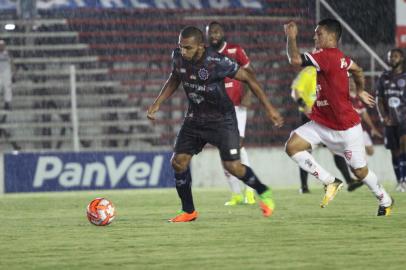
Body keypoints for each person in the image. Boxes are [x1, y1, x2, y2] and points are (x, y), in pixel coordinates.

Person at [147, 26, 284, 222]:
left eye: (188, 48)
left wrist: (269, 108)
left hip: (222, 120)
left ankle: (264, 192)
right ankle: (189, 211)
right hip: (195, 118)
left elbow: (249, 78)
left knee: (233, 167)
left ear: (201, 46)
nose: (183, 51)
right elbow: (175, 77)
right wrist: (157, 103)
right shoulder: (177, 56)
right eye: (181, 47)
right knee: (178, 162)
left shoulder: (216, 61)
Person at [284, 18, 393, 216]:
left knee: (360, 172)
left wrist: (291, 38)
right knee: (292, 146)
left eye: (319, 33)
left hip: (346, 129)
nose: (315, 36)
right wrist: (360, 90)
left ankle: (385, 199)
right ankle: (329, 181)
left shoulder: (326, 56)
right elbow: (357, 69)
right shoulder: (339, 57)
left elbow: (294, 60)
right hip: (322, 124)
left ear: (332, 36)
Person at [206, 21, 256, 206]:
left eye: (217, 32)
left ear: (223, 33)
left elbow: (251, 72)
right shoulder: (205, 54)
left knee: (239, 145)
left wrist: (248, 93)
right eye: (211, 33)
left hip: (236, 106)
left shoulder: (235, 50)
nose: (214, 36)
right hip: (216, 107)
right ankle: (236, 193)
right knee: (224, 149)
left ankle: (250, 190)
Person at [291, 66, 363, 193]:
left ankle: (350, 182)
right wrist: (305, 106)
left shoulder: (327, 71)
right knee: (305, 150)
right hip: (310, 115)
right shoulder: (308, 72)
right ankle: (304, 186)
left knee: (335, 149)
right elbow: (295, 91)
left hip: (325, 115)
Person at [376, 48, 406, 192]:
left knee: (404, 145)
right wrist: (383, 117)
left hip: (404, 119)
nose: (392, 59)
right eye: (390, 57)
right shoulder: (384, 77)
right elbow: (379, 99)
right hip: (390, 121)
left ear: (401, 58)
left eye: (395, 56)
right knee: (394, 151)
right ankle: (399, 180)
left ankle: (404, 179)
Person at [349, 77, 382, 156]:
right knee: (354, 152)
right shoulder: (345, 98)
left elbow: (364, 114)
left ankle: (360, 160)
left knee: (370, 151)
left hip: (360, 129)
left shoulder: (359, 97)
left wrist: (373, 128)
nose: (351, 84)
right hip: (349, 130)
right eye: (349, 83)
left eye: (353, 82)